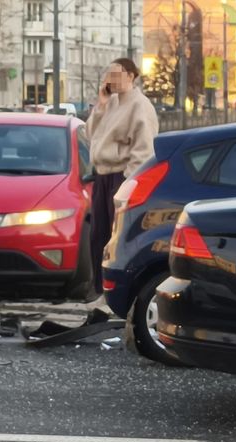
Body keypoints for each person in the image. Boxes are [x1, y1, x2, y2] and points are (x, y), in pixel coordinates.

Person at [85, 58, 159, 295]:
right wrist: (101, 105)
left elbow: (144, 149)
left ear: (131, 76)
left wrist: (128, 182)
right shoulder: (112, 102)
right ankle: (99, 289)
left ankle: (114, 292)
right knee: (98, 235)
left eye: (117, 74)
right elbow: (91, 135)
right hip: (103, 175)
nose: (112, 79)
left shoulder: (140, 106)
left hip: (120, 177)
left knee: (116, 238)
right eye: (109, 74)